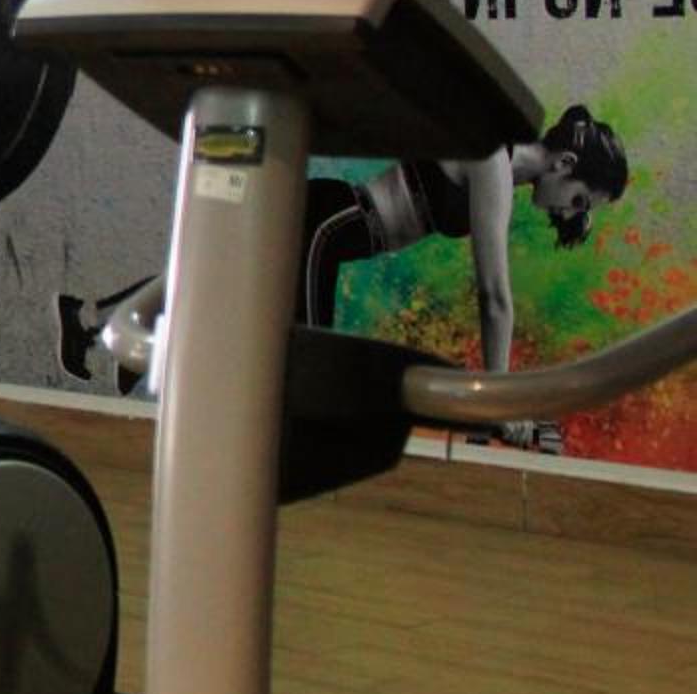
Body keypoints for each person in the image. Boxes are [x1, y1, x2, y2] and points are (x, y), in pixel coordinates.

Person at [57, 106, 632, 443]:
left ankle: (90, 320)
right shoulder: (493, 163)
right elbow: (494, 295)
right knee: (308, 378)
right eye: (581, 200)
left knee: (217, 274)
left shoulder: (499, 165)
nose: (570, 213)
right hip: (330, 228)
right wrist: (498, 404)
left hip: (331, 220)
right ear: (565, 164)